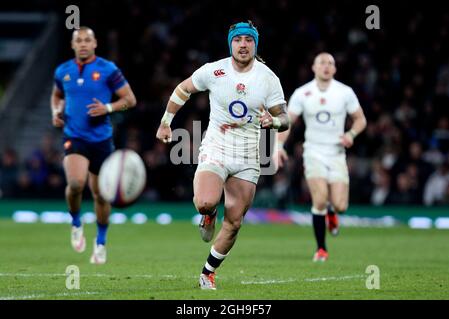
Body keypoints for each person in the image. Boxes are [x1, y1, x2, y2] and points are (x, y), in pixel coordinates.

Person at [156, 21, 289, 289]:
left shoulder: (268, 78)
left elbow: (284, 119)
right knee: (205, 202)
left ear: (255, 44)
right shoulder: (214, 71)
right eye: (238, 39)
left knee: (235, 222)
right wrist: (166, 121)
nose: (243, 44)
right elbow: (183, 89)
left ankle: (208, 273)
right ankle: (208, 214)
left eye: (248, 40)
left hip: (248, 155)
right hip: (217, 147)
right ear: (231, 44)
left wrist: (273, 123)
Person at [51, 27, 137, 264]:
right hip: (74, 136)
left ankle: (100, 242)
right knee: (76, 184)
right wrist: (55, 111)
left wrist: (107, 108)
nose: (83, 44)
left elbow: (130, 100)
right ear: (72, 45)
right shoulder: (63, 71)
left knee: (101, 195)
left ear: (95, 43)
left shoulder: (108, 69)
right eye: (78, 40)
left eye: (87, 40)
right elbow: (57, 96)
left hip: (101, 140)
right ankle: (76, 221)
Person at [276, 52, 367, 262]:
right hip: (313, 152)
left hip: (336, 153)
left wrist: (351, 134)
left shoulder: (345, 92)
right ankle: (321, 249)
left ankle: (333, 214)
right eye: (322, 63)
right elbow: (288, 122)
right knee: (319, 200)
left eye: (330, 63)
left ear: (334, 69)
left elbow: (360, 120)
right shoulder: (303, 93)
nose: (326, 66)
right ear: (314, 68)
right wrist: (279, 145)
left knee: (341, 205)